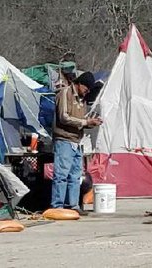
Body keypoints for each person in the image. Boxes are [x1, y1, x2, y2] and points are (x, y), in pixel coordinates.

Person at [51, 71, 102, 213]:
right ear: (80, 84)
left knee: (75, 175)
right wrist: (85, 122)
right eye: (86, 88)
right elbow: (64, 117)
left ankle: (73, 205)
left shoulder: (82, 99)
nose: (87, 92)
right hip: (64, 140)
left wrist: (90, 123)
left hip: (77, 141)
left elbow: (81, 120)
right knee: (61, 175)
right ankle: (57, 205)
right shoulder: (64, 93)